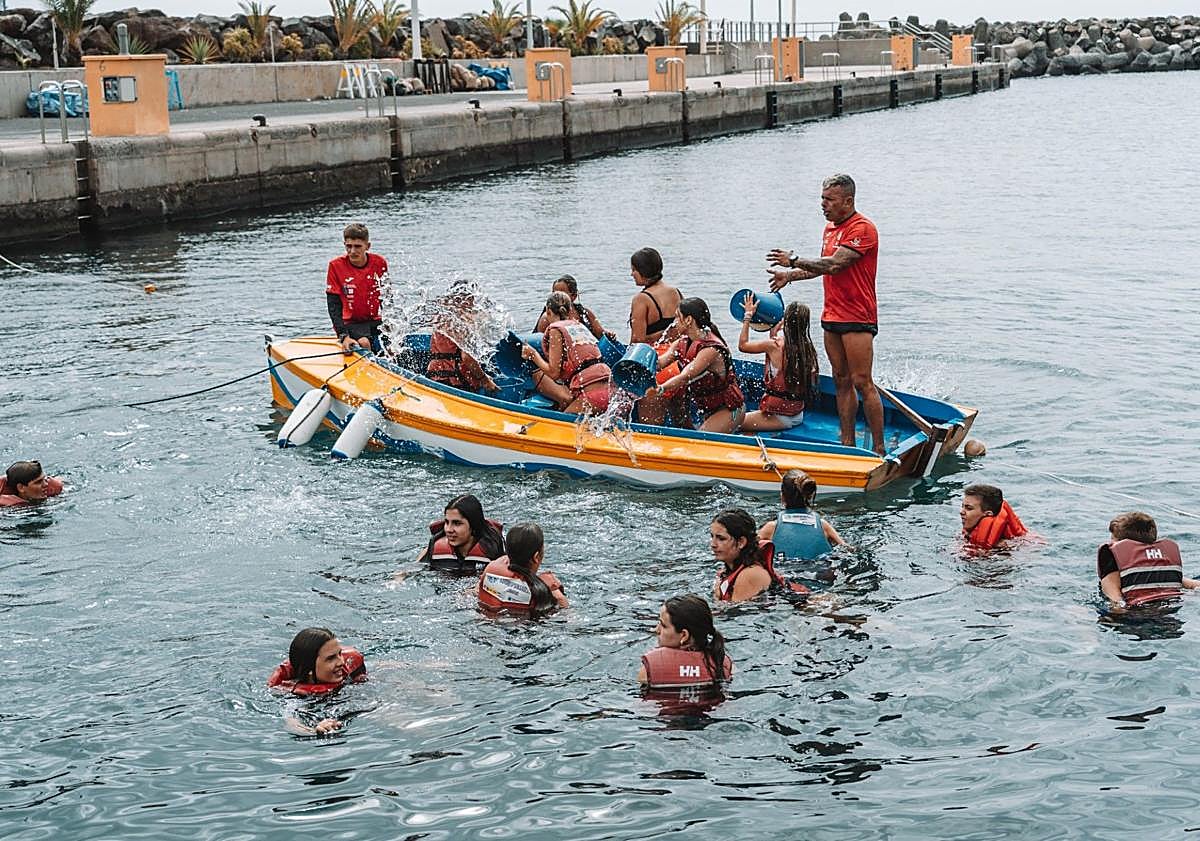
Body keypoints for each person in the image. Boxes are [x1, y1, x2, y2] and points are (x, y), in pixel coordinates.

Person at [767, 174, 885, 455]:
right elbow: (821, 266)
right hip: (832, 314)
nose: (823, 204)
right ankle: (847, 443)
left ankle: (879, 448)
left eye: (829, 199)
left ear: (848, 201)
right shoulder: (830, 229)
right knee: (841, 379)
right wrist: (790, 275)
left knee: (862, 381)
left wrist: (794, 259)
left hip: (858, 316)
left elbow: (834, 265)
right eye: (822, 198)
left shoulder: (863, 228)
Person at [648, 297, 745, 433]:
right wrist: (640, 362)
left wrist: (660, 389)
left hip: (728, 410)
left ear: (688, 320)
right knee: (677, 405)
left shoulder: (710, 350)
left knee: (701, 439)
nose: (674, 323)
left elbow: (685, 377)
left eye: (677, 317)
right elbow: (659, 363)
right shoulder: (681, 343)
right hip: (706, 408)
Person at [523, 292, 616, 414]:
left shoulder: (555, 329)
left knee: (561, 426)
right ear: (569, 310)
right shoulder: (579, 325)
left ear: (548, 311)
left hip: (592, 395)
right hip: (611, 390)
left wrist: (533, 355)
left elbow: (554, 373)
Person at [738, 295, 819, 433]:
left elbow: (743, 345)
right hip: (797, 413)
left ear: (786, 321)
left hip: (778, 416)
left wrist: (747, 316)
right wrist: (773, 334)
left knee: (732, 422)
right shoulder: (808, 349)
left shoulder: (774, 345)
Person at [267, 627, 368, 734]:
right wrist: (314, 731)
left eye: (340, 653)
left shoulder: (350, 670)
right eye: (330, 658)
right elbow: (292, 724)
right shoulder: (296, 697)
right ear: (309, 669)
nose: (341, 662)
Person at [1098, 512, 1199, 611]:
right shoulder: (1162, 569)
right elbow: (1192, 585)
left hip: (1136, 615)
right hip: (1171, 607)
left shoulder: (1112, 573)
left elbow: (1116, 601)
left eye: (1113, 539)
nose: (1111, 543)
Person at [711, 508, 808, 602]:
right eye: (712, 537)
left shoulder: (749, 575)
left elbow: (733, 616)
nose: (713, 544)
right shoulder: (728, 571)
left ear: (741, 542)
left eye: (721, 538)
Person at [637, 594, 732, 688]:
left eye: (663, 625)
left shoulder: (649, 671)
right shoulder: (723, 665)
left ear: (684, 635)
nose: (656, 630)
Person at [478, 523, 568, 615]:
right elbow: (565, 611)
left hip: (487, 620)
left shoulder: (492, 570)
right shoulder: (545, 589)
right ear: (536, 557)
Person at [326, 222, 389, 353]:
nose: (352, 251)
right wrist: (343, 336)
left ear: (367, 246)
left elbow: (387, 297)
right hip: (351, 322)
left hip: (374, 320)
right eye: (349, 246)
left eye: (357, 246)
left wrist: (390, 323)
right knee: (364, 343)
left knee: (393, 344)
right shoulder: (335, 266)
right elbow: (333, 305)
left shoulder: (379, 263)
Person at [758, 469, 845, 561]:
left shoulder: (771, 528)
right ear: (810, 496)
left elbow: (747, 548)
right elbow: (846, 549)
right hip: (818, 570)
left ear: (782, 497)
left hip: (784, 570)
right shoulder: (823, 525)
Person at [417, 494, 506, 573]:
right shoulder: (435, 547)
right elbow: (416, 567)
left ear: (473, 525)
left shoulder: (493, 550)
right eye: (447, 522)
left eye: (457, 523)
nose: (449, 529)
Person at [534, 274, 616, 342]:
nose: (556, 296)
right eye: (554, 293)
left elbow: (601, 334)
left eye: (562, 293)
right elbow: (541, 344)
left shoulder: (585, 314)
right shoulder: (547, 317)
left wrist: (608, 334)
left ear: (574, 296)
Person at [627, 247, 683, 346]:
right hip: (674, 352)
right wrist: (666, 333)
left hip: (653, 355)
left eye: (634, 270)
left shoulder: (641, 299)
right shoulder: (675, 292)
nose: (631, 274)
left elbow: (637, 341)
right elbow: (684, 326)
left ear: (643, 271)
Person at [960, 483, 1027, 550]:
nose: (961, 512)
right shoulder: (968, 533)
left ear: (988, 514)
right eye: (962, 506)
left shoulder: (1002, 547)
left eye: (969, 508)